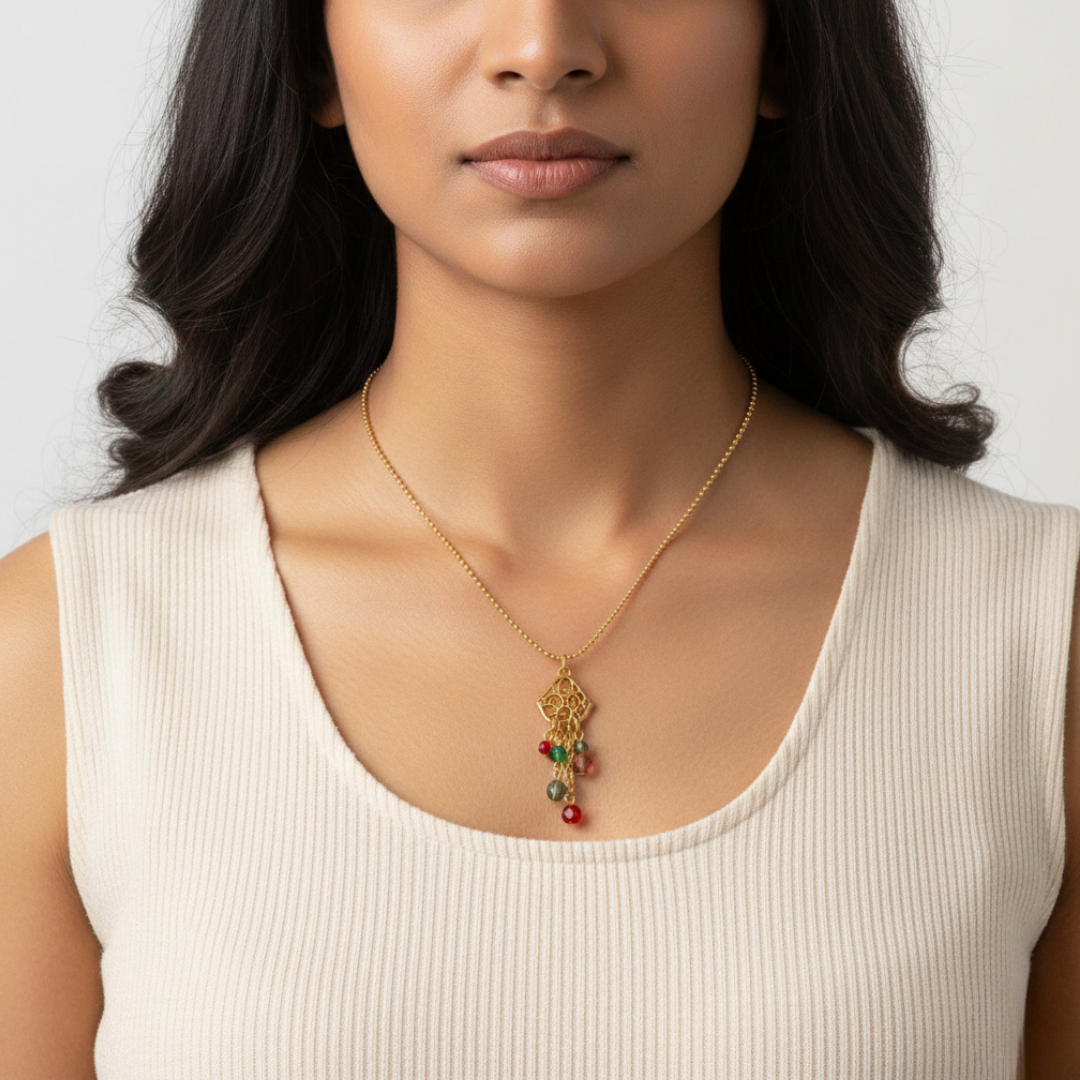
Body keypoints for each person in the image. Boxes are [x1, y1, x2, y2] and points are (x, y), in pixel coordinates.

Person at [1, 0, 1077, 1074]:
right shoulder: (64, 652)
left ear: (785, 47)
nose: (543, 48)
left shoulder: (1040, 640)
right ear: (309, 57)